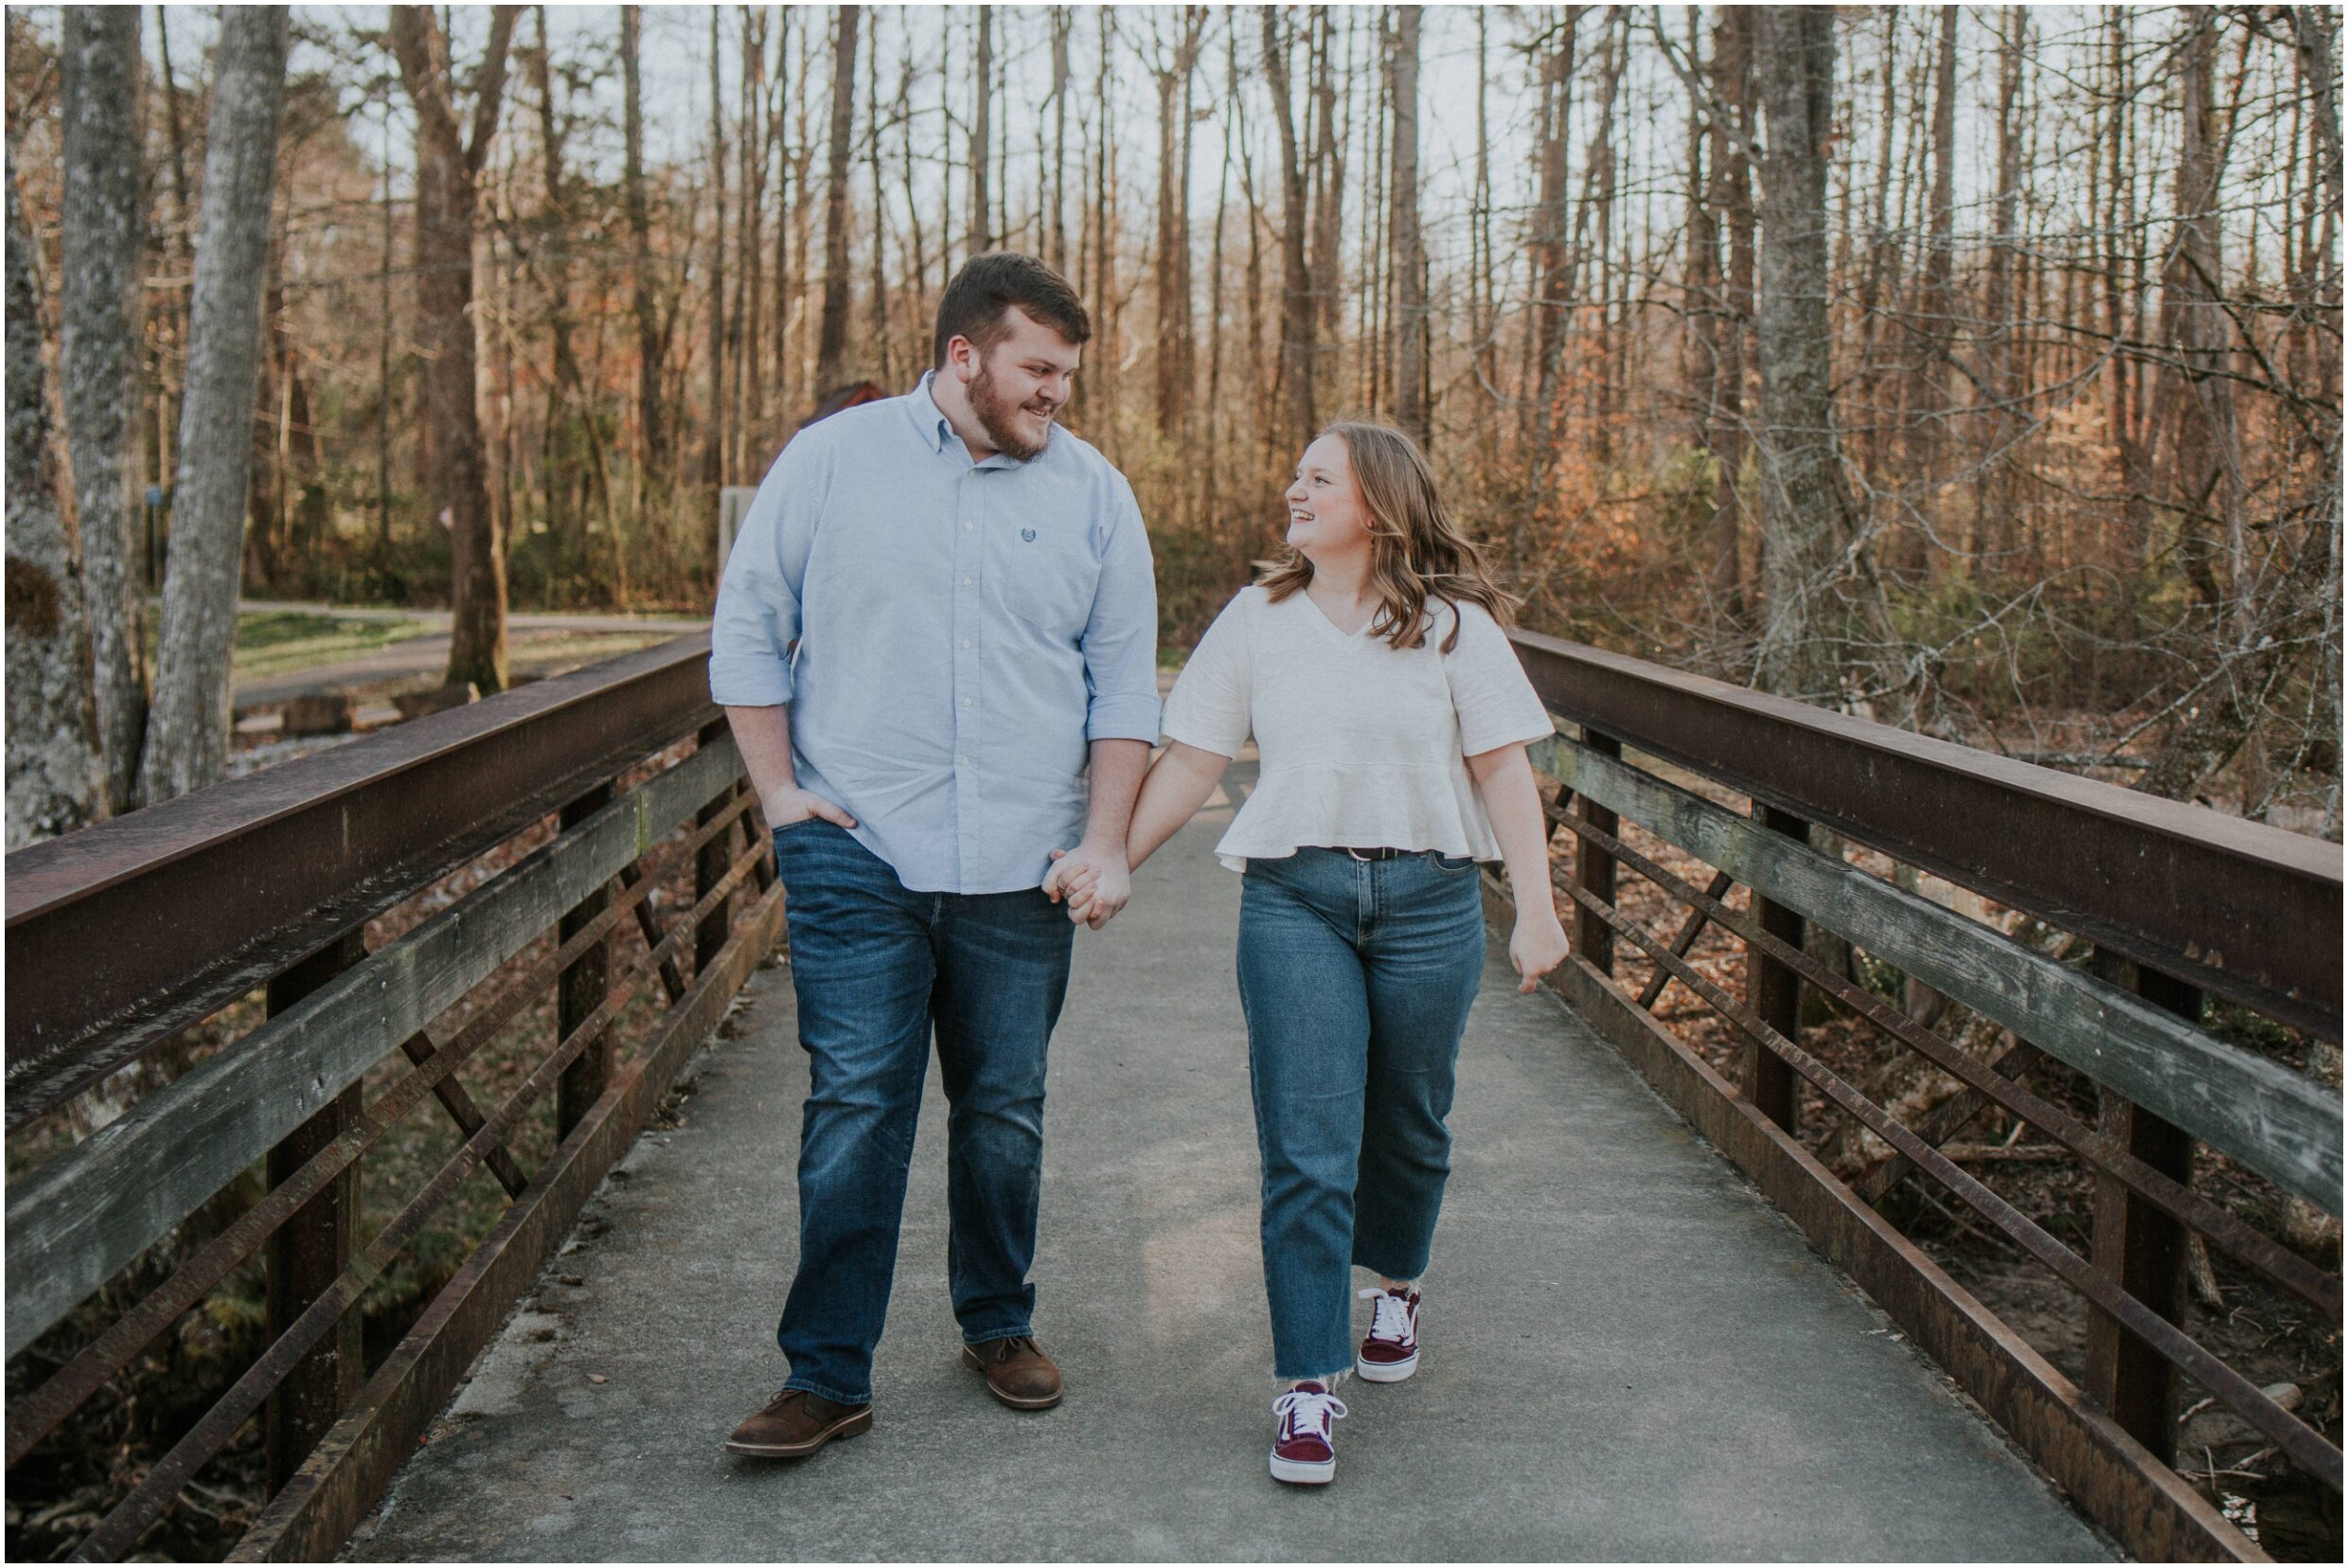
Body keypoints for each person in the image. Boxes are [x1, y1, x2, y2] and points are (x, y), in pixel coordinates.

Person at [1049, 419, 1568, 1486]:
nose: (1293, 489)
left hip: (1429, 899)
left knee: (1411, 1123)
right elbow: (1191, 758)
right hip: (1296, 900)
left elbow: (1503, 771)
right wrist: (1118, 859)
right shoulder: (1258, 617)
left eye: (1316, 478)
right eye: (1294, 474)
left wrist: (1536, 905)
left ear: (1374, 503)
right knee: (1304, 1142)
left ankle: (1400, 1285)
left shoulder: (1454, 627)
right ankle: (1305, 1384)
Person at [709, 253, 1159, 1459]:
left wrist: (1105, 841)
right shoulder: (830, 463)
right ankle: (826, 1374)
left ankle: (996, 1324)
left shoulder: (1095, 496)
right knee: (856, 1106)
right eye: (1036, 370)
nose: (1055, 394)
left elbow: (1123, 690)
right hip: (860, 846)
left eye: (1065, 374)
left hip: (1025, 859)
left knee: (1003, 1106)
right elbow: (747, 627)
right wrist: (780, 799)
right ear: (964, 356)